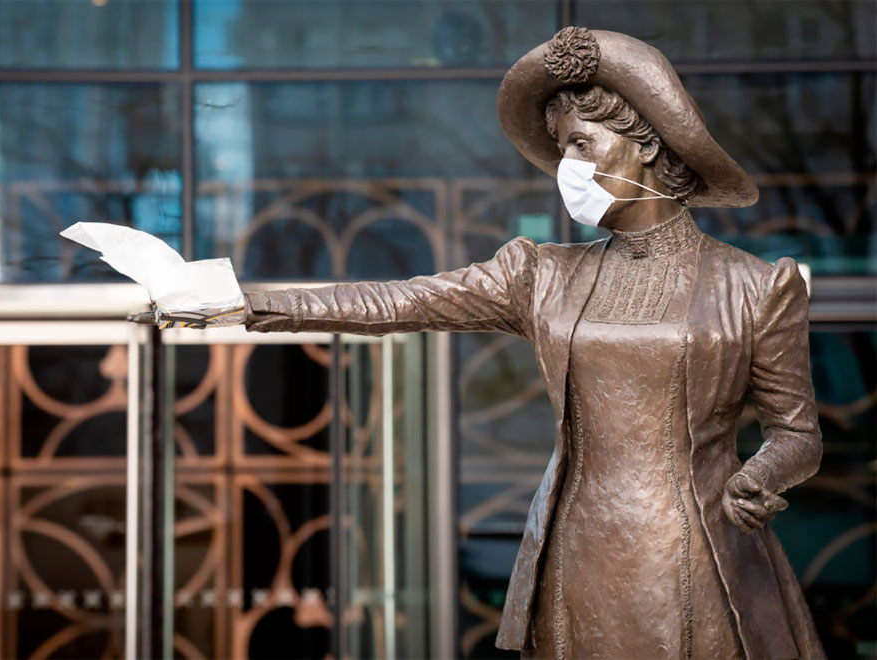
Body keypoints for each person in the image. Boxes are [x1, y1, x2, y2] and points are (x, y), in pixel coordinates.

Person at [197, 27, 824, 660]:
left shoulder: (756, 286)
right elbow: (399, 301)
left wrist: (759, 476)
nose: (568, 168)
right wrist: (243, 304)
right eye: (561, 151)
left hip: (698, 551)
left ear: (647, 144)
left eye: (582, 143)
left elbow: (797, 434)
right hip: (576, 547)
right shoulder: (542, 273)